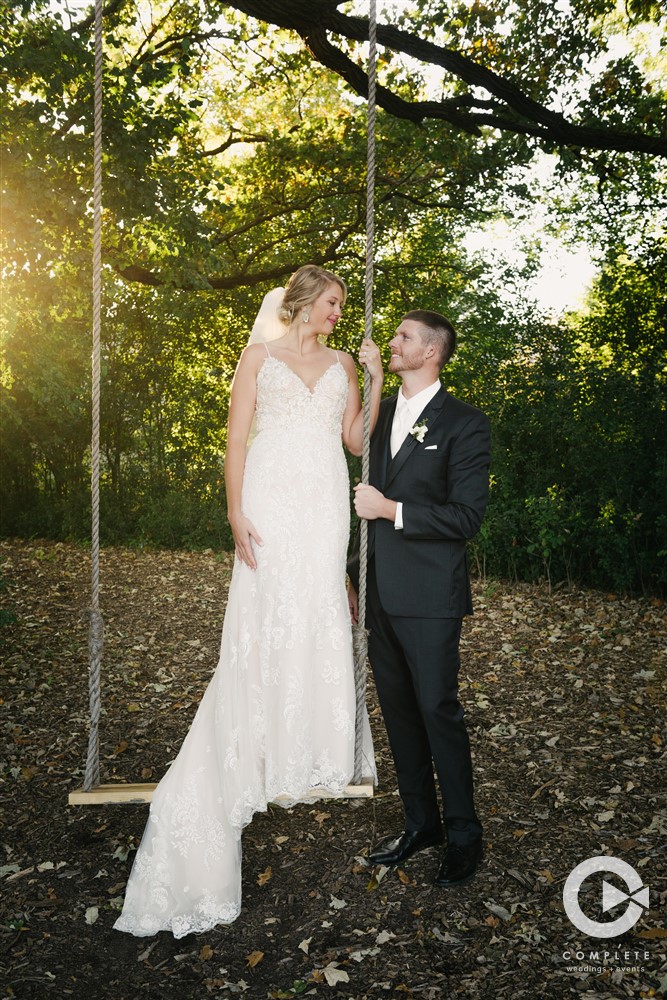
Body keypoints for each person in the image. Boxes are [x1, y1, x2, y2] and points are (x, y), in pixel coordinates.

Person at [114, 265, 382, 937]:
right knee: (267, 614)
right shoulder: (257, 357)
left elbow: (354, 441)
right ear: (300, 302)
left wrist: (375, 381)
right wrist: (235, 511)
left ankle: (305, 744)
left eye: (340, 306)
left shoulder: (344, 361)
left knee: (316, 604)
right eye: (329, 303)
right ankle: (254, 737)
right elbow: (235, 436)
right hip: (266, 493)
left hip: (323, 499)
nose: (335, 314)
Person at [348, 309, 490, 887]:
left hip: (430, 595)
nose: (393, 342)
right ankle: (420, 824)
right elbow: (357, 497)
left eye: (404, 336)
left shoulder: (465, 423)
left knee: (437, 710)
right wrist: (353, 576)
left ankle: (463, 833)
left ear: (431, 351)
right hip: (379, 588)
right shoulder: (380, 417)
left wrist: (393, 510)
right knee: (400, 714)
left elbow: (466, 516)